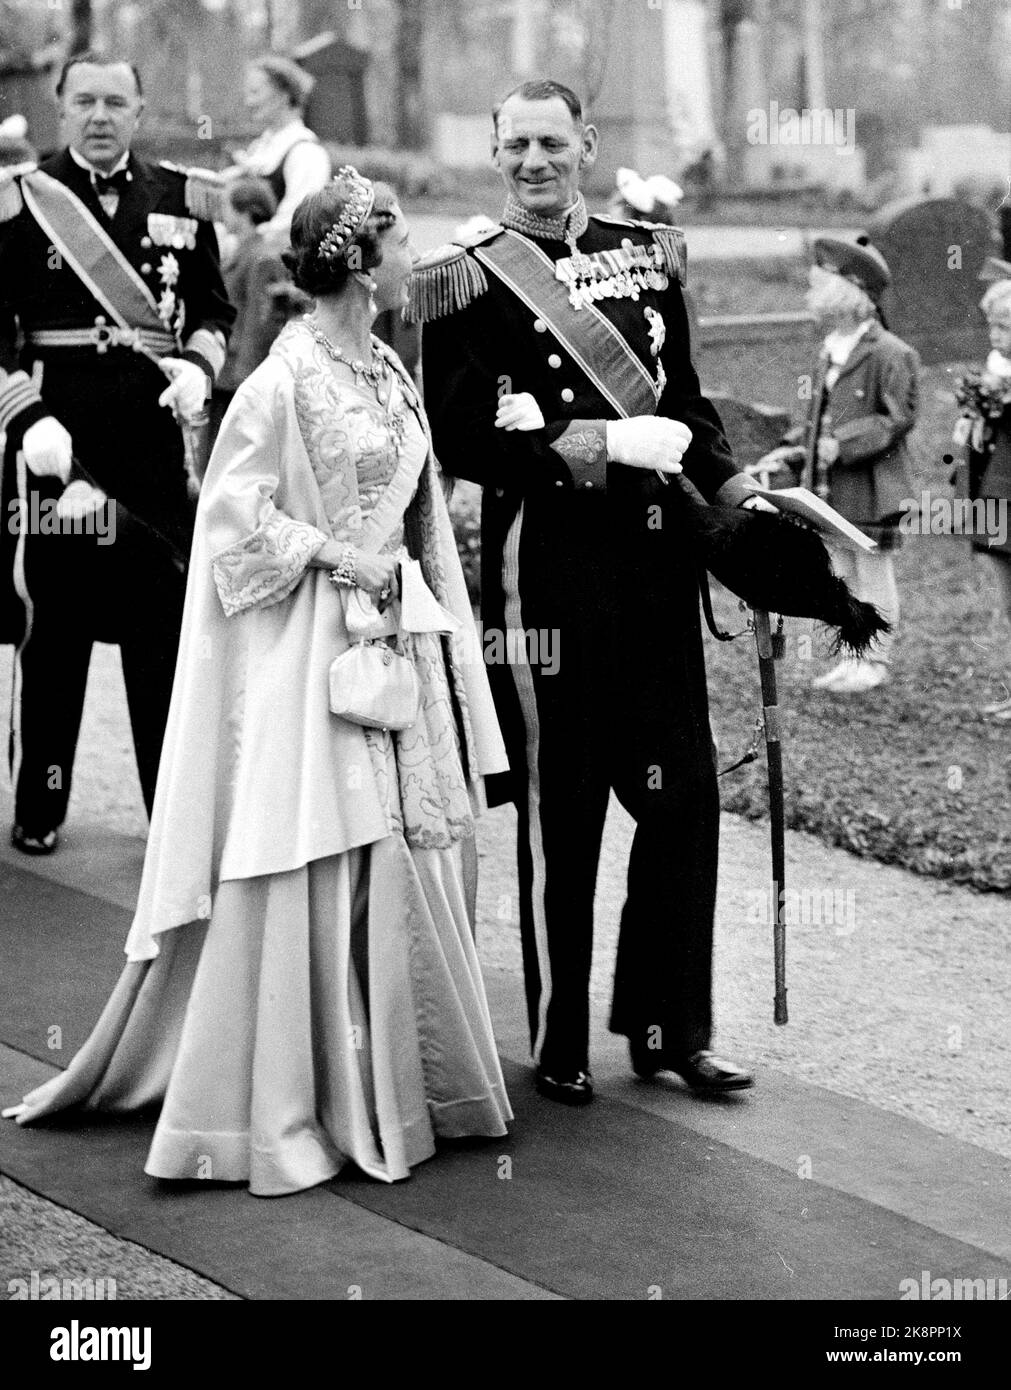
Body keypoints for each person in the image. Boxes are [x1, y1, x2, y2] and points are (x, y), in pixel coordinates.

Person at [4, 170, 512, 1195]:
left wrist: (439, 631)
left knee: (402, 849)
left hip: (390, 645)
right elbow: (232, 527)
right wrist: (339, 557)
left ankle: (409, 1083)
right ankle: (303, 1096)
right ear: (360, 262)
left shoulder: (386, 367)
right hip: (310, 651)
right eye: (402, 243)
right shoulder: (286, 379)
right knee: (325, 849)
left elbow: (417, 514)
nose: (416, 260)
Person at [418, 79, 762, 1106]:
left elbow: (689, 402)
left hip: (657, 563)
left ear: (587, 145)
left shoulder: (648, 255)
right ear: (494, 149)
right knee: (560, 805)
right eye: (515, 141)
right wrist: (600, 442)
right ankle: (559, 1032)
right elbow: (463, 435)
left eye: (551, 142)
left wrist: (742, 507)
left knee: (683, 797)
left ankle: (670, 1027)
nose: (534, 159)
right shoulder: (462, 283)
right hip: (549, 569)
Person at [0, 52, 234, 855]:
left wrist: (200, 371)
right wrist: (25, 417)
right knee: (54, 636)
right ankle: (39, 806)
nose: (101, 116)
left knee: (160, 641)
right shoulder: (18, 203)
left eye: (116, 102)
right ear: (61, 108)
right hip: (55, 453)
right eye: (85, 101)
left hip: (150, 453)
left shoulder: (184, 197)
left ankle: (165, 817)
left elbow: (212, 309)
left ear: (139, 110)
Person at [755, 236, 919, 694]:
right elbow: (815, 414)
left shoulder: (891, 352)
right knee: (842, 573)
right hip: (830, 487)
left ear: (844, 295)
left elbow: (899, 416)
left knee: (872, 571)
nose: (810, 298)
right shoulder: (830, 348)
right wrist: (793, 446)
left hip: (870, 483)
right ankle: (853, 656)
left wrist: (842, 443)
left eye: (818, 288)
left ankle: (875, 660)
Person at [952, 277, 1011, 720]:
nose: (997, 336)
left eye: (1007, 327)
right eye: (993, 326)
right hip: (993, 494)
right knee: (1005, 599)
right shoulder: (994, 370)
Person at [208, 176, 288, 449]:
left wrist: (246, 381)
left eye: (228, 207)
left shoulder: (261, 257)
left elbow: (260, 322)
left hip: (239, 378)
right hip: (225, 374)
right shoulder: (244, 251)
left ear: (244, 213)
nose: (223, 215)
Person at [225, 55, 331, 245]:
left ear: (283, 95)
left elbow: (295, 221)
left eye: (255, 92)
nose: (249, 102)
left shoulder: (306, 153)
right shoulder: (259, 147)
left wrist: (243, 242)